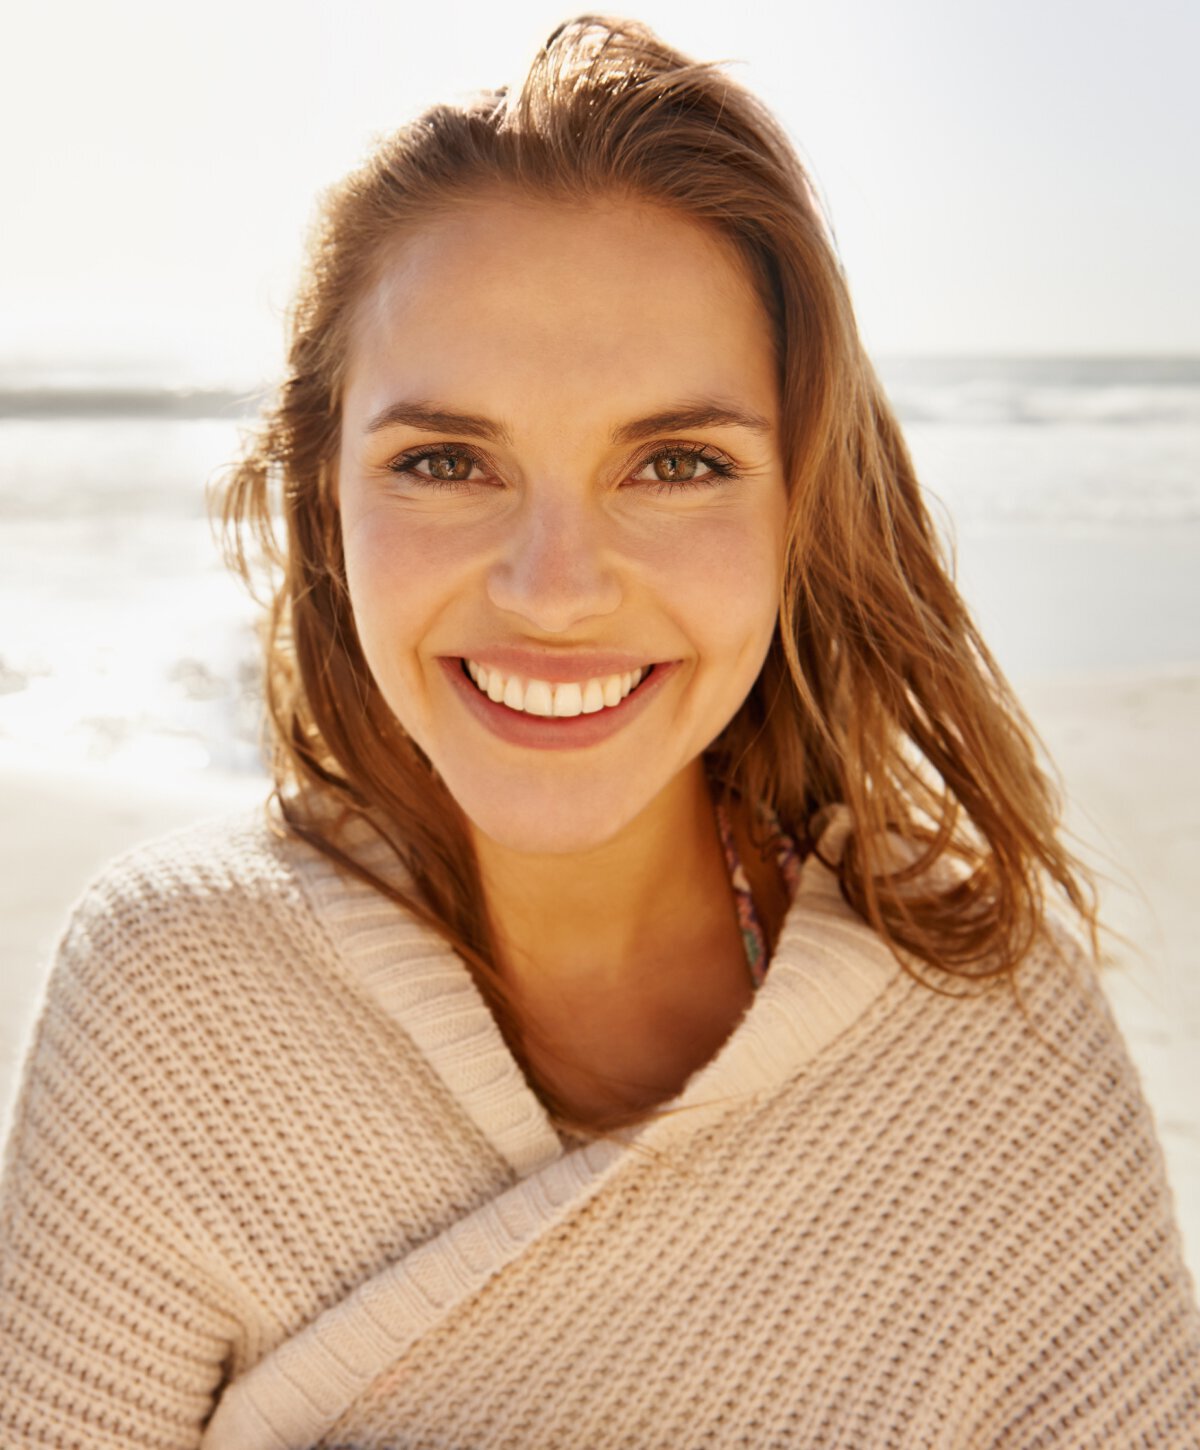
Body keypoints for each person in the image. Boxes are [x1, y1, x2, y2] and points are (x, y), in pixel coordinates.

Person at [2, 15, 1198, 1447]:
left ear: (799, 508)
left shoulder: (988, 1027)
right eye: (445, 460)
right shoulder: (172, 993)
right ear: (323, 497)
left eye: (676, 462)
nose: (553, 590)